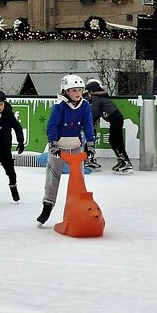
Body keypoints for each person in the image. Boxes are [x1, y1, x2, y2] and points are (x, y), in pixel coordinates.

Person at [37, 75, 95, 225]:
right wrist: (53, 143)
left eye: (80, 90)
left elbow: (88, 124)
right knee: (52, 178)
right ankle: (47, 206)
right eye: (73, 90)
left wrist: (90, 143)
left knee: (79, 179)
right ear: (65, 91)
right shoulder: (60, 106)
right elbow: (52, 125)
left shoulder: (84, 105)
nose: (77, 93)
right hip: (59, 147)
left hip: (76, 146)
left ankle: (80, 207)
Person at [84, 78, 133, 174]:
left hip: (115, 119)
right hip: (116, 119)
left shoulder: (96, 98)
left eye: (88, 92)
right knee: (113, 140)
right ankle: (122, 160)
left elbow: (94, 112)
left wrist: (88, 120)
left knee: (116, 141)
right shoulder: (102, 97)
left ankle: (126, 162)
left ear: (92, 91)